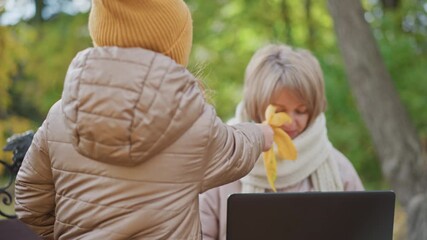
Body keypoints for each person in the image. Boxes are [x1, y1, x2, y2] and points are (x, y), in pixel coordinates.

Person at [14, 1, 274, 239]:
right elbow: (234, 150)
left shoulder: (60, 116)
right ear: (175, 47)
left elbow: (30, 202)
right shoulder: (189, 120)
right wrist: (262, 134)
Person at [199, 43, 365, 240]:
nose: (290, 121)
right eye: (279, 111)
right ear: (256, 107)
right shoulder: (224, 165)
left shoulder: (339, 169)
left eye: (301, 111)